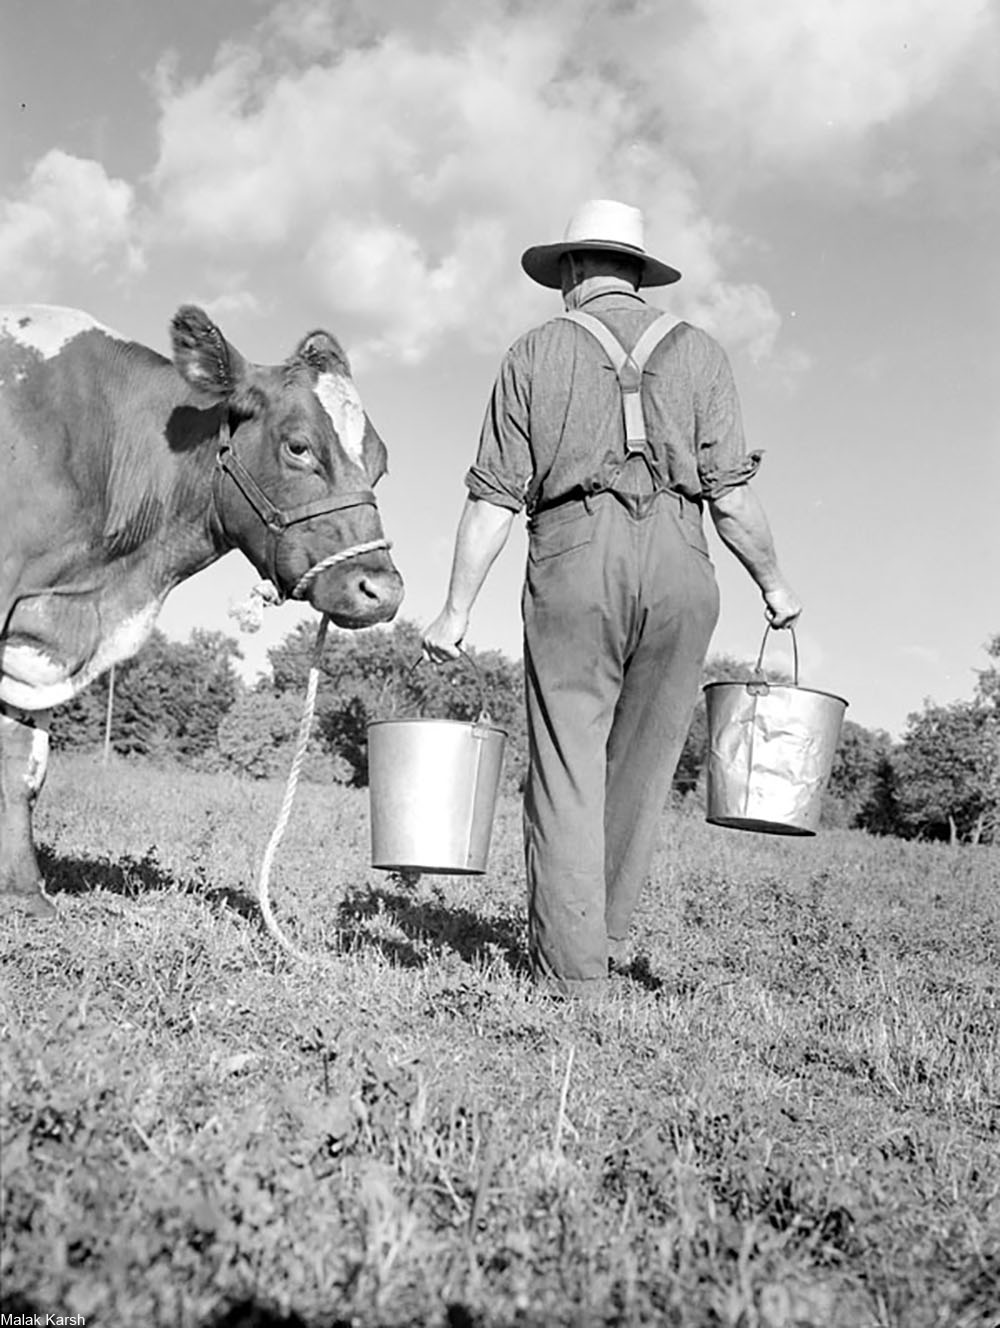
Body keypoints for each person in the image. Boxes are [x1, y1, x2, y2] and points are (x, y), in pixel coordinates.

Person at [423, 199, 801, 998]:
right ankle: (601, 931)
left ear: (569, 272)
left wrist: (455, 610)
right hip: (683, 564)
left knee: (567, 758)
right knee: (643, 756)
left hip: (575, 557)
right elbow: (731, 497)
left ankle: (571, 971)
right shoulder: (701, 353)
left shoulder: (533, 352)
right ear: (637, 272)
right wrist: (774, 583)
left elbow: (494, 499)